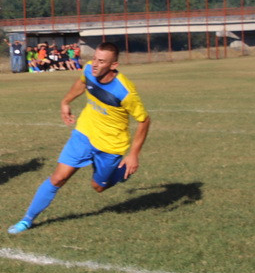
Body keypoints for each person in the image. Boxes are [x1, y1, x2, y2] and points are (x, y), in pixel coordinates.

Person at [8, 42, 151, 234]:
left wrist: (133, 155)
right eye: (95, 59)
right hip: (84, 133)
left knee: (98, 187)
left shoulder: (125, 91)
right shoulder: (89, 70)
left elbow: (144, 120)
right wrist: (66, 101)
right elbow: (82, 82)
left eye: (102, 61)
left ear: (113, 65)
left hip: (111, 144)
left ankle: (122, 171)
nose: (95, 64)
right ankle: (27, 220)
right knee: (58, 178)